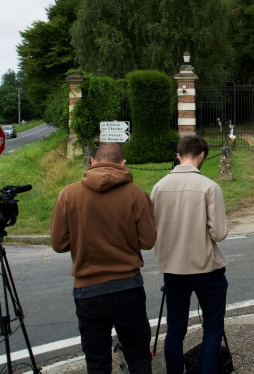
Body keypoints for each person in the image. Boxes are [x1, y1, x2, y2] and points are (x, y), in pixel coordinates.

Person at [50, 142, 156, 374]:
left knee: (97, 360)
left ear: (93, 162)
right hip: (127, 286)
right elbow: (148, 241)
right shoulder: (136, 194)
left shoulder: (68, 194)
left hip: (87, 289)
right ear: (123, 163)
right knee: (138, 355)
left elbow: (59, 244)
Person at [151, 135, 228, 374]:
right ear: (202, 155)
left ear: (178, 155)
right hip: (206, 266)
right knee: (213, 327)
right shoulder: (209, 187)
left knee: (175, 329)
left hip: (173, 268)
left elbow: (153, 229)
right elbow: (218, 233)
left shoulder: (158, 187)